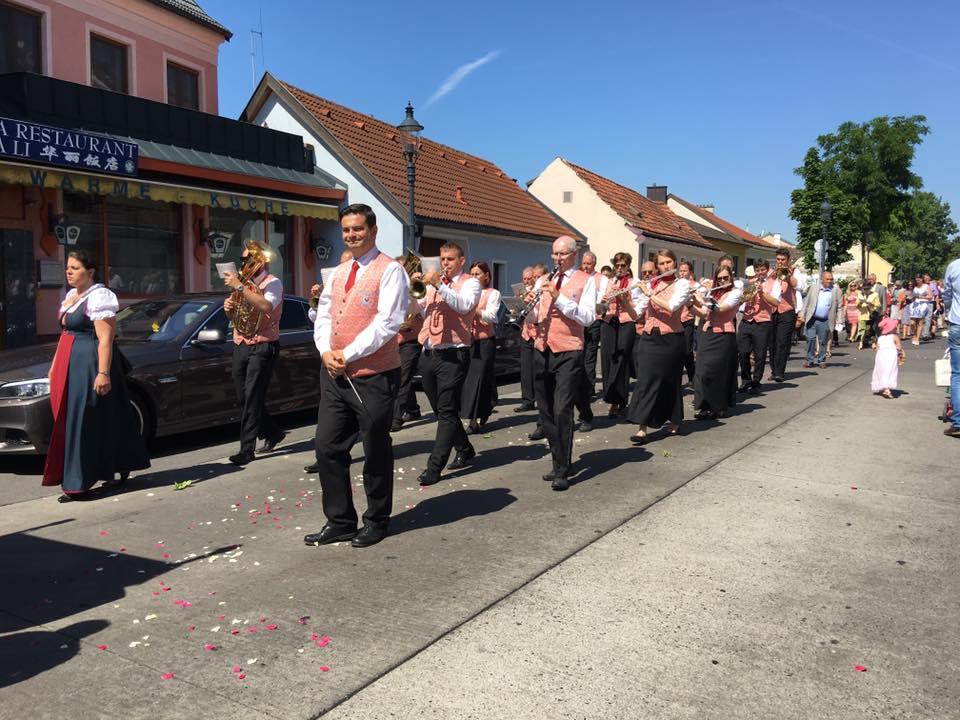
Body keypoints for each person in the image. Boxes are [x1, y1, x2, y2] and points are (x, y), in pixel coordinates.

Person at [304, 204, 409, 548]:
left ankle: (377, 519)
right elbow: (324, 316)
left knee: (375, 447)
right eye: (347, 230)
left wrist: (347, 354)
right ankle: (340, 520)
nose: (351, 235)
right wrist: (325, 351)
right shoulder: (338, 271)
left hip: (373, 374)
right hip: (334, 373)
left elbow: (388, 323)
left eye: (358, 229)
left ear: (373, 230)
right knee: (327, 447)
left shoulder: (391, 270)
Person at [42, 250, 149, 501]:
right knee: (77, 418)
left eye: (75, 268)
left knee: (84, 419)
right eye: (68, 267)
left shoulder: (100, 296)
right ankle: (111, 468)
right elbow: (65, 334)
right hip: (70, 361)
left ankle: (80, 481)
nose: (68, 272)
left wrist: (102, 373)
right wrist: (54, 365)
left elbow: (105, 339)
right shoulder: (71, 296)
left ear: (90, 272)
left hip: (90, 361)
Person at [525, 235, 597, 490]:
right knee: (544, 411)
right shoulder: (544, 280)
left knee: (562, 410)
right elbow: (537, 314)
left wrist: (560, 298)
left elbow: (588, 317)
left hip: (569, 350)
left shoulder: (586, 281)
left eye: (562, 254)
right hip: (542, 348)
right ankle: (559, 462)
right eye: (554, 254)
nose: (557, 259)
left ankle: (562, 468)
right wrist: (527, 309)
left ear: (574, 255)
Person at [415, 242, 482, 486]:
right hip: (430, 352)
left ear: (461, 261)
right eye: (443, 259)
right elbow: (420, 312)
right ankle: (465, 448)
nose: (445, 263)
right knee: (442, 411)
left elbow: (463, 306)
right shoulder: (435, 285)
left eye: (450, 259)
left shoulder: (470, 283)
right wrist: (412, 291)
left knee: (445, 411)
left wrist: (438, 285)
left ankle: (435, 467)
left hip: (454, 353)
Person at [222, 241, 285, 465]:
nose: (244, 262)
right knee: (244, 396)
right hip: (241, 342)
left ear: (261, 261)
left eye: (248, 258)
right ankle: (273, 432)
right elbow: (238, 317)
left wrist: (240, 287)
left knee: (252, 396)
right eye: (243, 259)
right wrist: (229, 311)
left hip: (263, 344)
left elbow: (266, 307)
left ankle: (247, 449)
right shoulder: (244, 283)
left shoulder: (273, 283)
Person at [625, 249, 692, 443]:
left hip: (672, 338)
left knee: (670, 381)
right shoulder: (654, 284)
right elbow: (636, 314)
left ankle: (675, 420)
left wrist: (649, 293)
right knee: (645, 380)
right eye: (661, 264)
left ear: (675, 263)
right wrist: (624, 300)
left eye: (669, 262)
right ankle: (642, 427)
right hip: (649, 337)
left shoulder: (682, 284)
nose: (665, 266)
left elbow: (672, 306)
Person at [691, 265, 742, 418]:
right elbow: (704, 313)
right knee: (701, 371)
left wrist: (701, 298)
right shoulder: (714, 293)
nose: (722, 281)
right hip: (709, 332)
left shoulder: (735, 293)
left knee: (716, 372)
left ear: (730, 278)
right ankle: (705, 405)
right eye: (719, 279)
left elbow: (720, 308)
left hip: (724, 335)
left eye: (725, 278)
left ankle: (718, 406)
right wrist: (690, 304)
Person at [461, 261, 501, 434]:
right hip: (468, 341)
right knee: (472, 380)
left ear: (486, 276)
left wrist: (473, 308)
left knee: (478, 380)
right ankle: (483, 408)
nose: (474, 277)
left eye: (478, 274)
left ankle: (473, 421)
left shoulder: (493, 293)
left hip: (485, 342)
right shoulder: (466, 292)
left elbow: (491, 316)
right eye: (472, 274)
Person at [599, 252, 636, 419]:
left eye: (623, 265)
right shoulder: (609, 282)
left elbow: (636, 309)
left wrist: (623, 298)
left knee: (621, 360)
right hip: (609, 320)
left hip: (626, 321)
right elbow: (600, 302)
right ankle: (611, 396)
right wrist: (605, 300)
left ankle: (620, 401)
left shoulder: (634, 283)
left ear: (628, 266)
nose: (619, 268)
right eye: (617, 265)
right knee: (608, 358)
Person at [391, 255, 424, 433]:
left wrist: (412, 288)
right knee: (403, 377)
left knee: (402, 378)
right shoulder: (391, 287)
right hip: (395, 339)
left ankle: (396, 417)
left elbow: (420, 308)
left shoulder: (415, 286)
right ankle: (413, 409)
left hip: (411, 339)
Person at [737, 261, 780, 394]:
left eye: (762, 270)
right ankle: (746, 379)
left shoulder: (774, 283)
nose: (760, 272)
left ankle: (756, 381)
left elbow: (776, 302)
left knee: (759, 354)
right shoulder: (749, 283)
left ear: (767, 270)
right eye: (757, 270)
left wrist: (762, 294)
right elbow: (740, 300)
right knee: (743, 352)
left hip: (763, 321)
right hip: (747, 319)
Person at [768, 248, 799, 382]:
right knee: (772, 342)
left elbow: (798, 285)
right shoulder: (771, 272)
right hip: (772, 310)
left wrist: (787, 275)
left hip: (787, 310)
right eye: (778, 259)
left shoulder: (794, 271)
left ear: (788, 260)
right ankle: (774, 371)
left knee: (783, 342)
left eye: (783, 260)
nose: (780, 262)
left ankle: (780, 372)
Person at [803, 271, 842, 368]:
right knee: (810, 339)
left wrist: (840, 319)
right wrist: (801, 314)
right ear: (822, 279)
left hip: (825, 319)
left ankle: (821, 360)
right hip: (812, 318)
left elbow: (840, 307)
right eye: (827, 279)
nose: (830, 281)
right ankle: (809, 359)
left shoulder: (836, 290)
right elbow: (806, 302)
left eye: (831, 279)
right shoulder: (814, 288)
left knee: (823, 341)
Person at [515, 265, 538, 414]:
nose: (527, 281)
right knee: (525, 368)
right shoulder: (521, 292)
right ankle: (527, 400)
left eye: (529, 278)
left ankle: (539, 397)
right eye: (524, 279)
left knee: (537, 368)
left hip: (538, 333)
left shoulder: (538, 290)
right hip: (525, 331)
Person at [580, 252, 602, 401]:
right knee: (579, 357)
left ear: (594, 264)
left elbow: (601, 300)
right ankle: (580, 386)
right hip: (579, 321)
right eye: (584, 263)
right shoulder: (578, 277)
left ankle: (589, 388)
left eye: (588, 263)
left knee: (589, 357)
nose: (586, 266)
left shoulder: (600, 279)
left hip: (594, 320)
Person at [942, 257, 960, 438]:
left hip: (958, 322)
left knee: (958, 375)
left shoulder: (955, 266)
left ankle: (959, 422)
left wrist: (948, 311)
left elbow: (947, 294)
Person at [870, 317, 904, 399]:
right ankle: (887, 389)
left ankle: (882, 386)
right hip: (891, 355)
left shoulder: (880, 338)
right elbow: (899, 347)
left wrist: (874, 347)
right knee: (890, 371)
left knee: (881, 370)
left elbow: (877, 349)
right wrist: (900, 354)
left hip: (881, 355)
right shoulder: (894, 337)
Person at [677, 260, 697, 385]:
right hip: (675, 321)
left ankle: (692, 376)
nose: (682, 273)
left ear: (690, 272)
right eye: (680, 271)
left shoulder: (694, 285)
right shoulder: (676, 284)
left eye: (684, 271)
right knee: (677, 351)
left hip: (688, 320)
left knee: (687, 351)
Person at [909, 274, 933, 346]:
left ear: (922, 279)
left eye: (919, 279)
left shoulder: (926, 286)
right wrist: (911, 297)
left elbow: (930, 297)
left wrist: (920, 296)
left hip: (923, 305)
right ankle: (915, 334)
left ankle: (917, 338)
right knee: (912, 322)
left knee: (920, 322)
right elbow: (911, 295)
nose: (917, 280)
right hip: (914, 305)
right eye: (916, 279)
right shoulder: (914, 286)